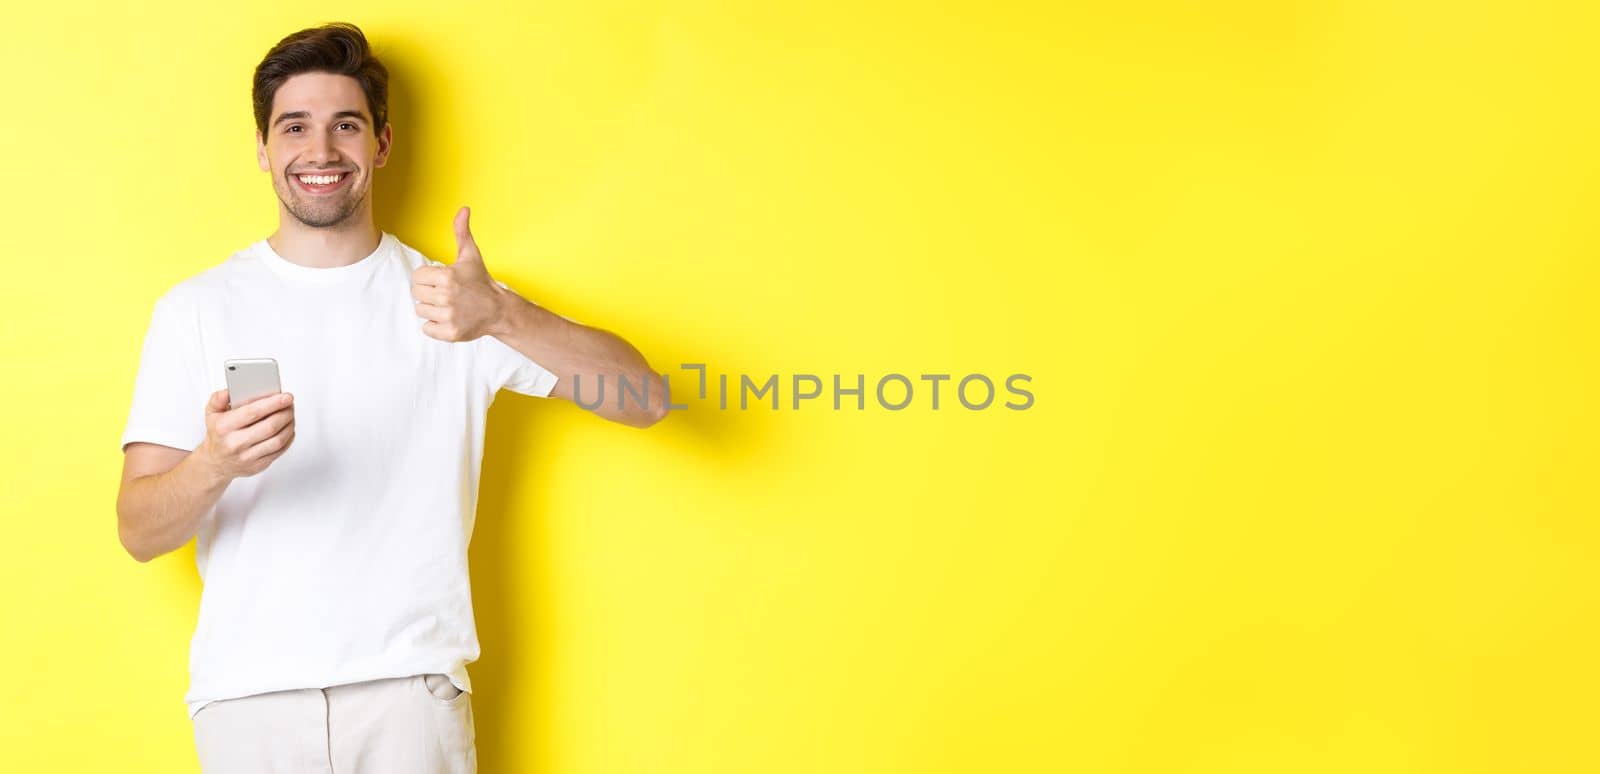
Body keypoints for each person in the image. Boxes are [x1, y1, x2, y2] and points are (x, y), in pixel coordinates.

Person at [115, 22, 668, 773]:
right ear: (262, 148)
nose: (320, 152)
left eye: (346, 125)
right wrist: (214, 462)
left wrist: (506, 315)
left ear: (381, 143)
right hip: (249, 703)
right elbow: (140, 531)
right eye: (294, 127)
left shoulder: (455, 302)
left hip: (411, 699)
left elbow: (646, 398)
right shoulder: (196, 309)